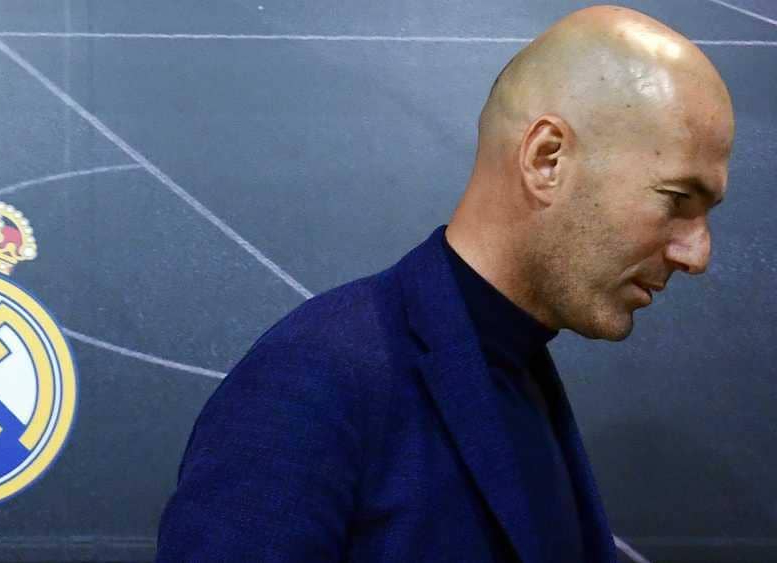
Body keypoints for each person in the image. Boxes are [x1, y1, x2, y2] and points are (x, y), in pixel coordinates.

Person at [155, 4, 734, 562]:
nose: (698, 254)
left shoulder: (520, 373)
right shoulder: (310, 382)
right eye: (677, 199)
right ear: (547, 159)